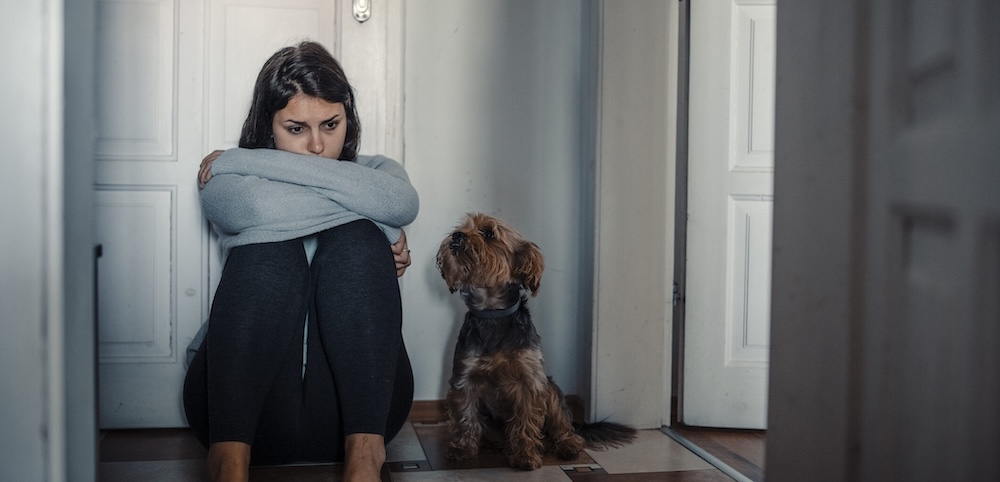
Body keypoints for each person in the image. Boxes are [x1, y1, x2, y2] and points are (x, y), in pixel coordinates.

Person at [183, 41, 418, 482]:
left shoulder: (377, 168)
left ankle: (365, 463)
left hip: (360, 414)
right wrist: (382, 222)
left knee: (358, 241)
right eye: (295, 128)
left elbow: (402, 201)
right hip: (240, 413)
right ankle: (227, 464)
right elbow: (251, 212)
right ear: (267, 126)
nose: (317, 145)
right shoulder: (232, 177)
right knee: (271, 248)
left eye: (331, 124)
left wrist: (248, 161)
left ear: (348, 116)